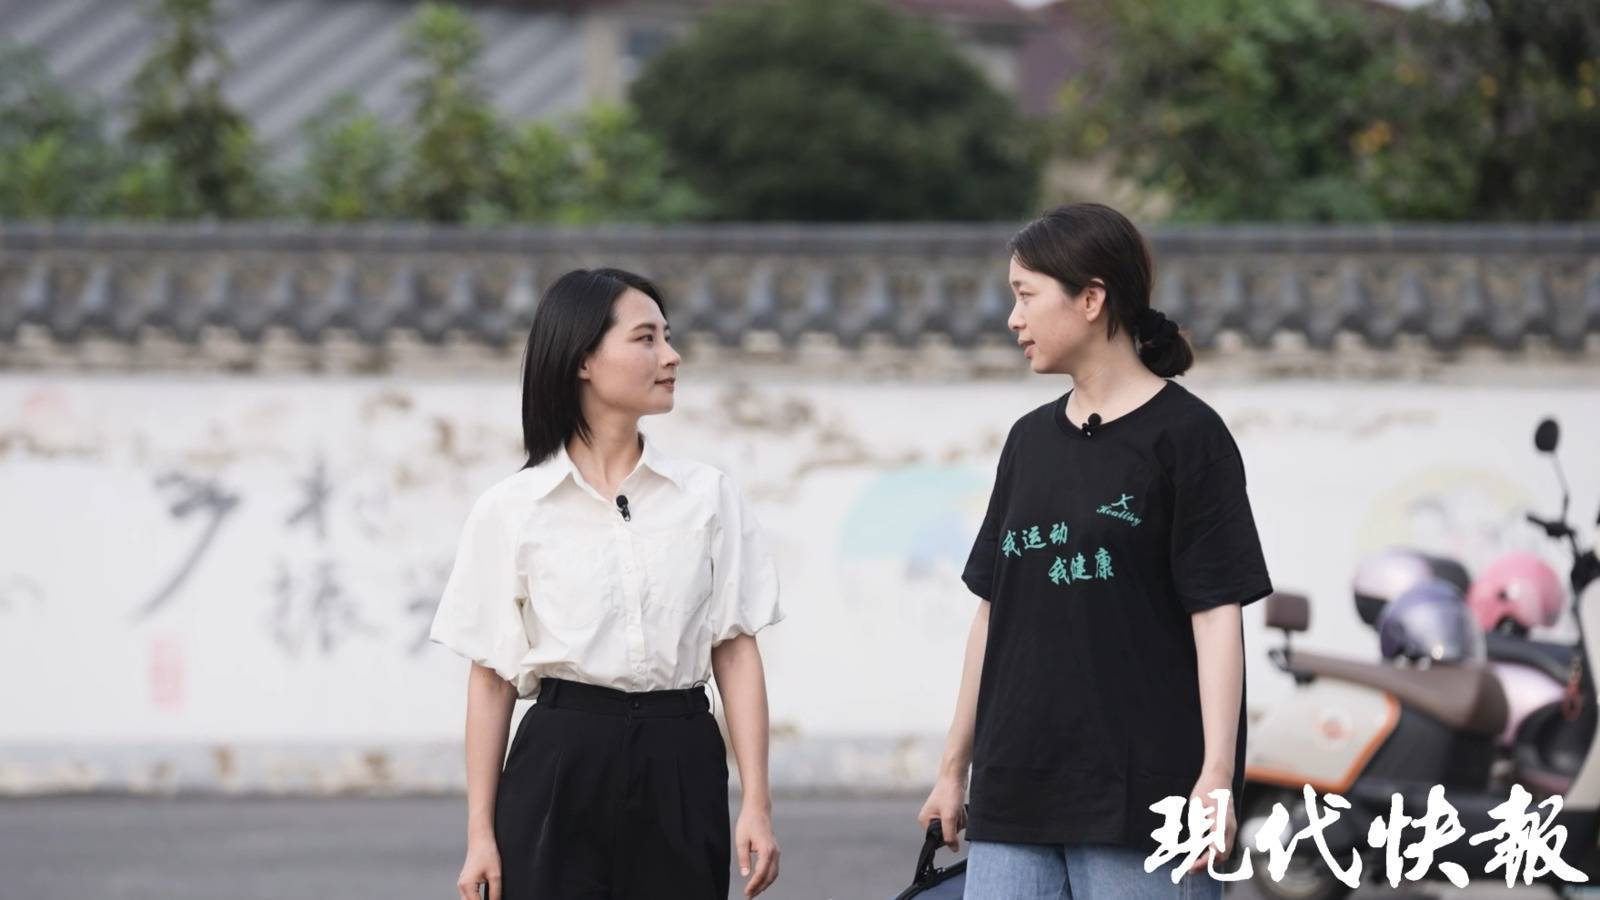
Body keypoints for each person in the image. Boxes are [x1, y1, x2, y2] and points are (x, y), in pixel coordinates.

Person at [918, 203, 1273, 899]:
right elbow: (992, 614)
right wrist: (952, 769)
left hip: (1145, 799)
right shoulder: (1027, 442)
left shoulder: (1188, 438)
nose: (1012, 319)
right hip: (1016, 791)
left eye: (1026, 296)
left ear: (1090, 299)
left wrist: (1216, 777)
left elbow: (1216, 616)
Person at [428, 267, 784, 899]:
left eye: (667, 337)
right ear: (583, 360)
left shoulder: (706, 496)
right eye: (646, 338)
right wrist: (480, 834)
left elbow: (734, 649)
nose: (671, 356)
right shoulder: (513, 508)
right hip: (561, 760)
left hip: (680, 757)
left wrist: (756, 801)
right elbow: (491, 678)